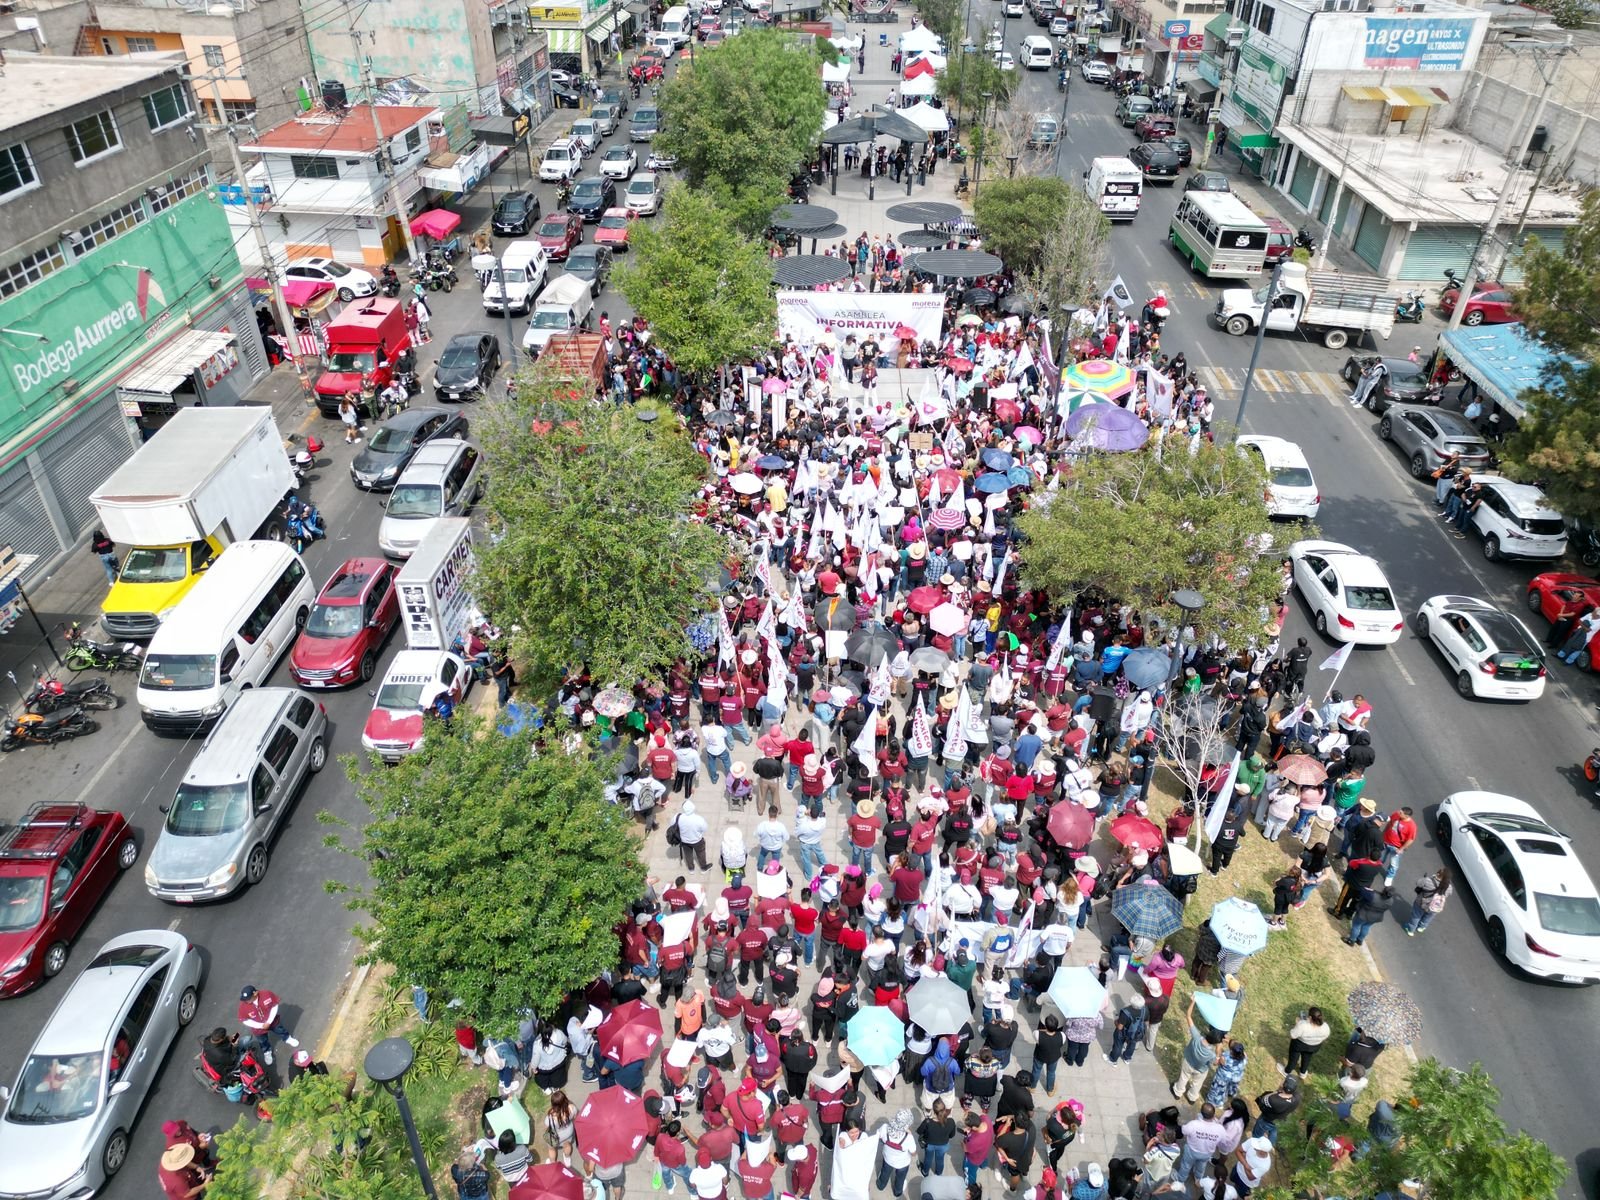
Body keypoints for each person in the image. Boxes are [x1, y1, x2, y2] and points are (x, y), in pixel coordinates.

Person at [1172, 1000, 1222, 1104]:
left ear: (1208, 1033)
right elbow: (1215, 1063)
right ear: (1215, 1043)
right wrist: (1218, 1052)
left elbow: (1188, 1016)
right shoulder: (1211, 1054)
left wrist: (1192, 1002)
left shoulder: (1196, 1037)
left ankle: (1178, 1092)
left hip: (1188, 1062)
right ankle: (1192, 1097)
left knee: (1183, 1077)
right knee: (1197, 1083)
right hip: (1201, 1070)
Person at [238, 984, 298, 1065]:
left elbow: (274, 1006)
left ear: (255, 993)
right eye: (245, 1000)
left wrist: (269, 1021)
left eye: (249, 999)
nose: (246, 1001)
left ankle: (287, 1038)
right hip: (258, 1028)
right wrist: (260, 1026)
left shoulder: (267, 994)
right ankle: (267, 1052)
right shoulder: (243, 1006)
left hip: (273, 1022)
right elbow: (245, 1020)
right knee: (262, 1041)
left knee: (280, 1030)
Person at [1403, 867, 1452, 935]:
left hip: (1422, 903)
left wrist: (1432, 877)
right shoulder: (1449, 887)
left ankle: (1410, 929)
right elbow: (1448, 894)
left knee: (1416, 916)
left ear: (1438, 873)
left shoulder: (1428, 881)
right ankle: (1421, 927)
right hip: (1435, 906)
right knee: (1428, 917)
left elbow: (1418, 883)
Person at [1282, 1007, 1330, 1075]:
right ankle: (1303, 1073)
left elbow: (1293, 1035)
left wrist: (1297, 1023)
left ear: (1310, 1017)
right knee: (1307, 1058)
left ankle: (1287, 1071)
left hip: (1299, 1045)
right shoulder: (1326, 1027)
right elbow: (1325, 1037)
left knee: (1294, 1058)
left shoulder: (1303, 1025)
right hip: (1314, 1047)